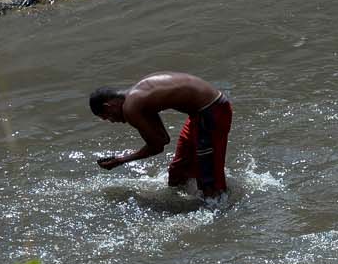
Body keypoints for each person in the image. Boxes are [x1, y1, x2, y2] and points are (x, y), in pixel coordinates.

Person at [89, 72, 231, 199]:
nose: (113, 121)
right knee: (178, 173)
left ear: (109, 106)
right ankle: (195, 201)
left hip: (211, 112)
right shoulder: (138, 96)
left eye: (107, 117)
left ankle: (219, 210)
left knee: (210, 182)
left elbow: (157, 147)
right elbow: (163, 139)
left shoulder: (130, 108)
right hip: (199, 114)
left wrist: (121, 160)